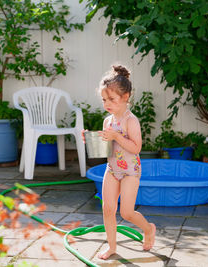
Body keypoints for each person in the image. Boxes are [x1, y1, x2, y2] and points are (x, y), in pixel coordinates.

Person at [85, 64, 156, 260]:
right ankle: (112, 247)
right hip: (112, 169)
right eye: (104, 99)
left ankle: (148, 228)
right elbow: (108, 146)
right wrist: (94, 139)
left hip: (130, 172)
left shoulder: (130, 121)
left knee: (126, 212)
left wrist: (116, 136)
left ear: (125, 98)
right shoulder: (107, 121)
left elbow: (136, 148)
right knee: (107, 208)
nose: (107, 103)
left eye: (112, 99)